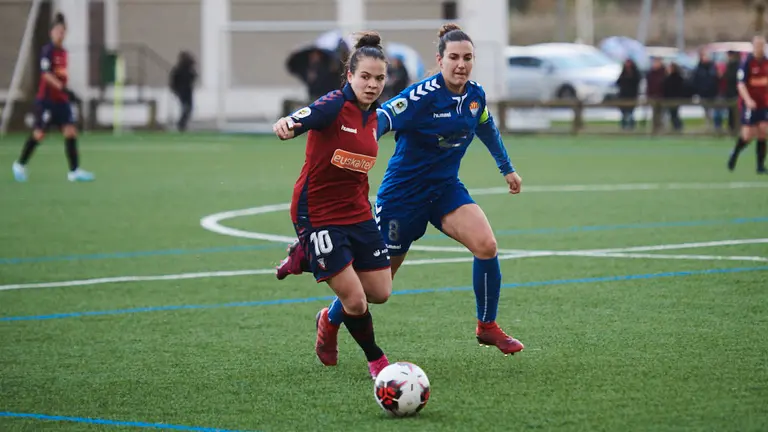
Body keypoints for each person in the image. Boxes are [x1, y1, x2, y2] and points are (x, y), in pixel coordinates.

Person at [278, 24, 525, 356]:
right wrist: (352, 143)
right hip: (402, 198)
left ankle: (487, 326)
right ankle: (330, 319)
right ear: (440, 60)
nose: (461, 64)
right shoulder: (420, 96)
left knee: (486, 244)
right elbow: (379, 119)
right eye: (453, 57)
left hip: (445, 190)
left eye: (467, 57)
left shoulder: (475, 96)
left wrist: (506, 168)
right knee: (375, 289)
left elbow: (486, 127)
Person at [272, 32, 392, 379]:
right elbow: (303, 117)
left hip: (356, 213)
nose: (372, 85)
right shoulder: (333, 105)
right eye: (365, 77)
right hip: (318, 214)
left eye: (379, 78)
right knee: (356, 302)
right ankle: (377, 360)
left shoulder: (375, 118)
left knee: (381, 292)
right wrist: (288, 124)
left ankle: (305, 259)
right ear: (350, 76)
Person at [12, 12, 94, 183]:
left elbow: (61, 75)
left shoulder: (63, 52)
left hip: (60, 100)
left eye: (63, 31)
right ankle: (20, 164)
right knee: (39, 133)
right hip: (47, 101)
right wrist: (63, 88)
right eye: (57, 31)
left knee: (70, 132)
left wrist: (66, 92)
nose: (60, 34)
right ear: (52, 32)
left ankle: (74, 171)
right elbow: (46, 75)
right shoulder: (47, 51)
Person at [728, 35, 768, 174]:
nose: (760, 48)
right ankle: (735, 151)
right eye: (757, 45)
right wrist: (748, 100)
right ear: (753, 46)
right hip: (749, 104)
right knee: (748, 135)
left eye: (762, 45)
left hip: (763, 103)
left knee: (763, 131)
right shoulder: (747, 62)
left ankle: (760, 166)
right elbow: (741, 84)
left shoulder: (766, 62)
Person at [169, 51, 197, 132]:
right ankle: (181, 124)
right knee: (186, 107)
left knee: (187, 108)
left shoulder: (186, 69)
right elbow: (174, 80)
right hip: (183, 91)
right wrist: (175, 89)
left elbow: (193, 77)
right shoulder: (180, 69)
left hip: (186, 90)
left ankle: (182, 124)